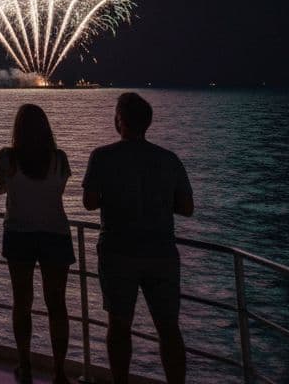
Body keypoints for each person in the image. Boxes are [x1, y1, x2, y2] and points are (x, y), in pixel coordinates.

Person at [83, 92, 194, 384]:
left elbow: (90, 202)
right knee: (169, 328)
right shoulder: (168, 159)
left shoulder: (102, 156)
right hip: (162, 253)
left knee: (119, 326)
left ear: (120, 121)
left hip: (118, 252)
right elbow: (186, 208)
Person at [0, 104, 75, 384]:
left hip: (18, 233)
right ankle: (60, 372)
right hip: (56, 234)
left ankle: (25, 365)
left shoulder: (7, 157)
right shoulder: (60, 159)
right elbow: (59, 190)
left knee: (21, 303)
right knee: (58, 305)